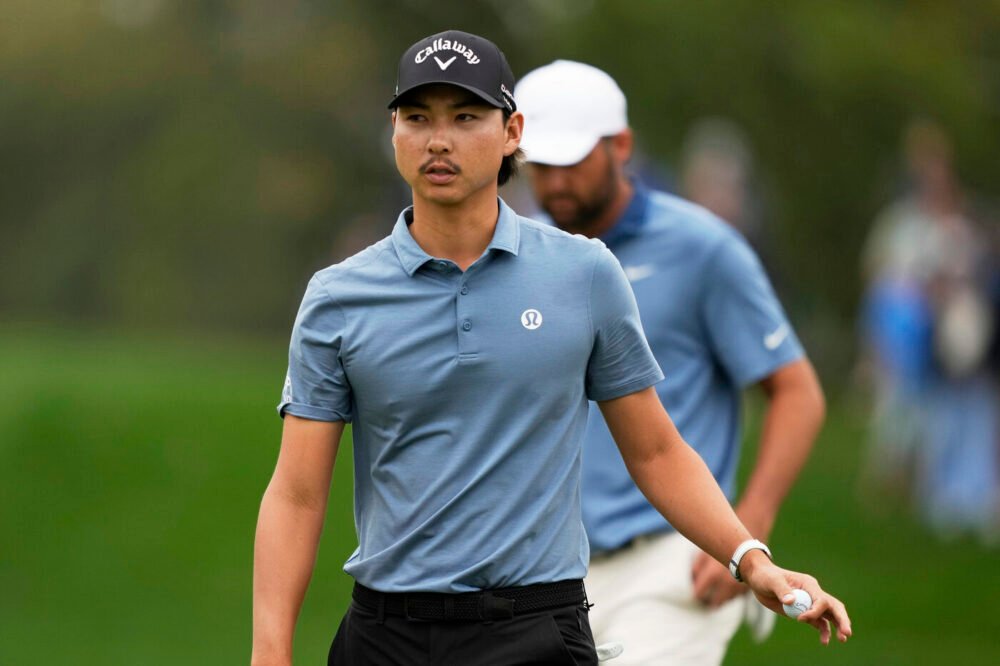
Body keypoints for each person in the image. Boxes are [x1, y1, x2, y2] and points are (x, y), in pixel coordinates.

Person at [252, 34, 851, 666]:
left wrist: (751, 560)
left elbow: (655, 451)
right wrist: (270, 651)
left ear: (512, 132)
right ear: (395, 130)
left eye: (466, 117)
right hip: (385, 637)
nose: (439, 140)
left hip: (534, 629)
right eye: (418, 117)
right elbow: (296, 493)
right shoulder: (338, 296)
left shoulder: (585, 273)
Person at [515, 60, 828, 665]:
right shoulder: (523, 255)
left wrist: (746, 529)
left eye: (572, 162)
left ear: (621, 146)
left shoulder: (703, 249)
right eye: (541, 165)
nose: (554, 183)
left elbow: (797, 392)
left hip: (675, 558)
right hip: (546, 567)